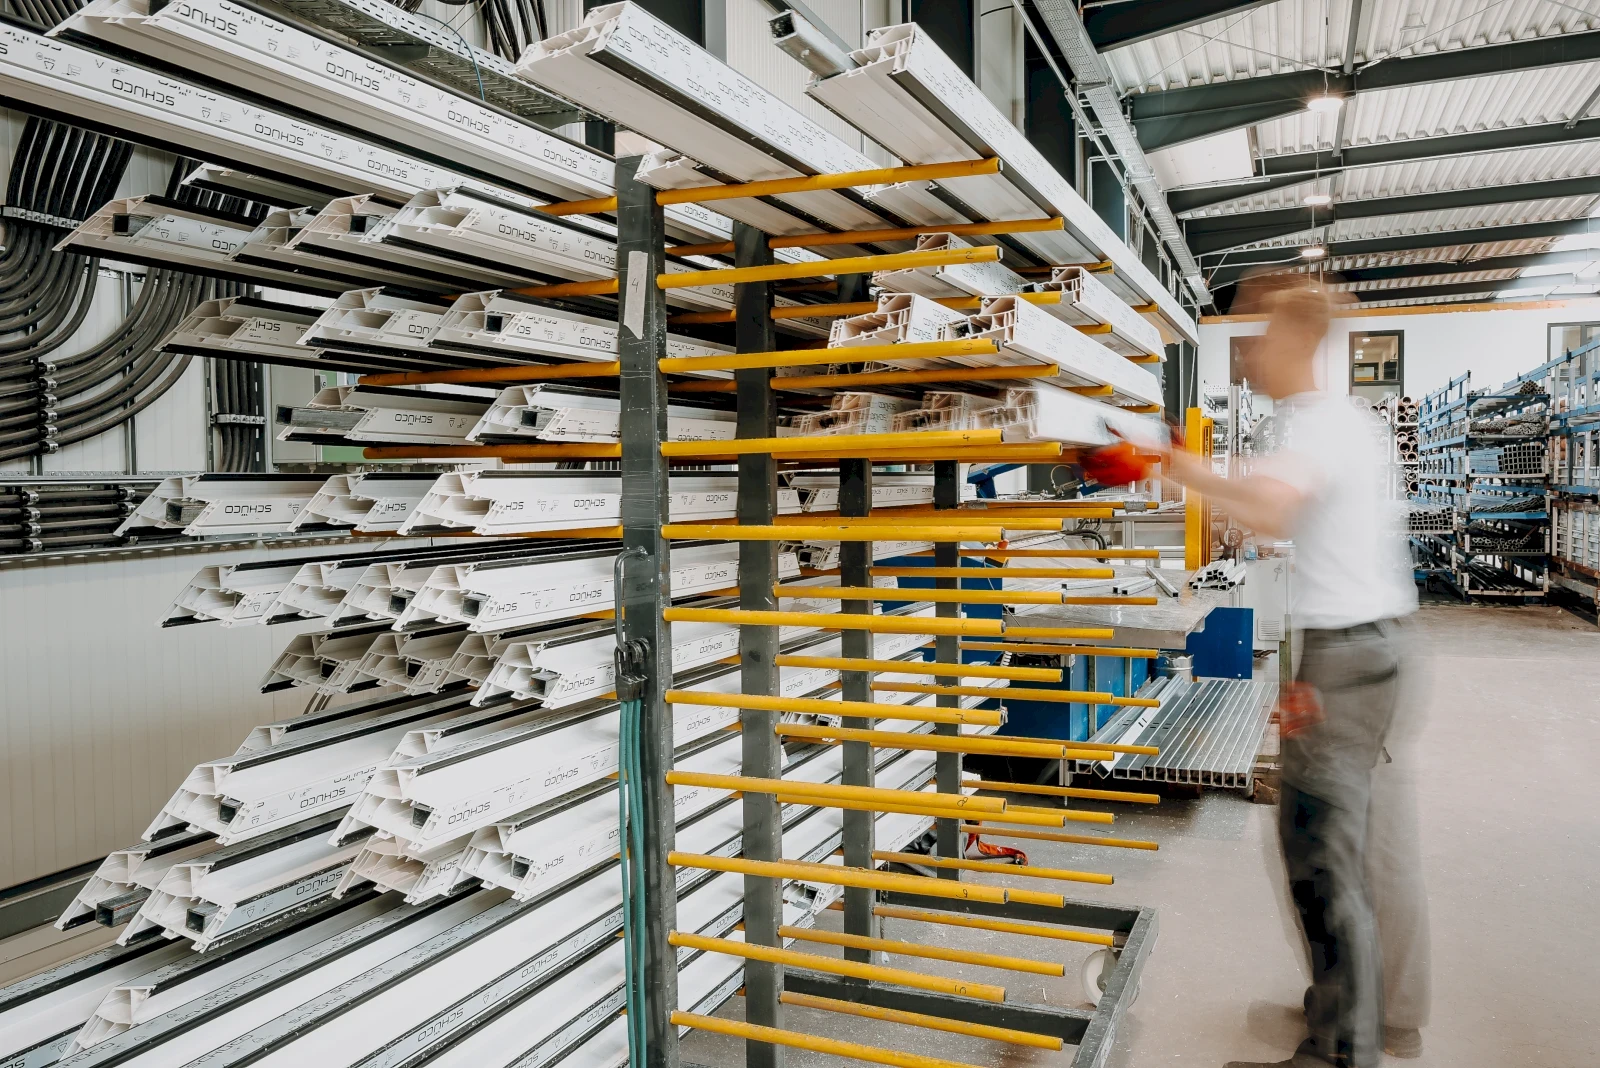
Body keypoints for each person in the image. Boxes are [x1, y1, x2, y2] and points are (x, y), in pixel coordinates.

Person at [1159, 280, 1428, 1068]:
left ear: (1298, 341)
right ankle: (1375, 1012)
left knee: (1319, 847)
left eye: (1264, 339)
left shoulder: (1313, 422)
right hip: (1367, 645)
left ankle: (1342, 1051)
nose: (1255, 356)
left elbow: (1272, 511)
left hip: (1348, 654)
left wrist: (1180, 467)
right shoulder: (1345, 421)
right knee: (1363, 845)